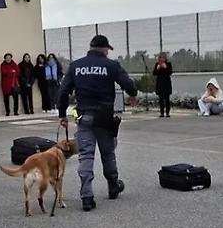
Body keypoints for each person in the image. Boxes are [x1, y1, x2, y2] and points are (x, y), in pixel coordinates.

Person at [56, 34, 138, 212]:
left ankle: (87, 196)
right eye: (107, 49)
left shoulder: (76, 66)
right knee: (108, 153)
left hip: (84, 116)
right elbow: (128, 84)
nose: (108, 52)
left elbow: (63, 91)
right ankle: (113, 185)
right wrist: (132, 94)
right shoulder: (110, 65)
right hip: (104, 117)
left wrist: (62, 114)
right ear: (104, 49)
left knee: (85, 155)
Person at [152, 52, 173, 118]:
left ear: (165, 58)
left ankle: (167, 113)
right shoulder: (157, 64)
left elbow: (170, 72)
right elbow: (154, 73)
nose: (161, 59)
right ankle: (162, 113)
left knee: (167, 99)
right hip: (160, 83)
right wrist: (157, 68)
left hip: (166, 83)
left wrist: (165, 67)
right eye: (160, 57)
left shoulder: (168, 64)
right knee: (160, 99)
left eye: (163, 57)